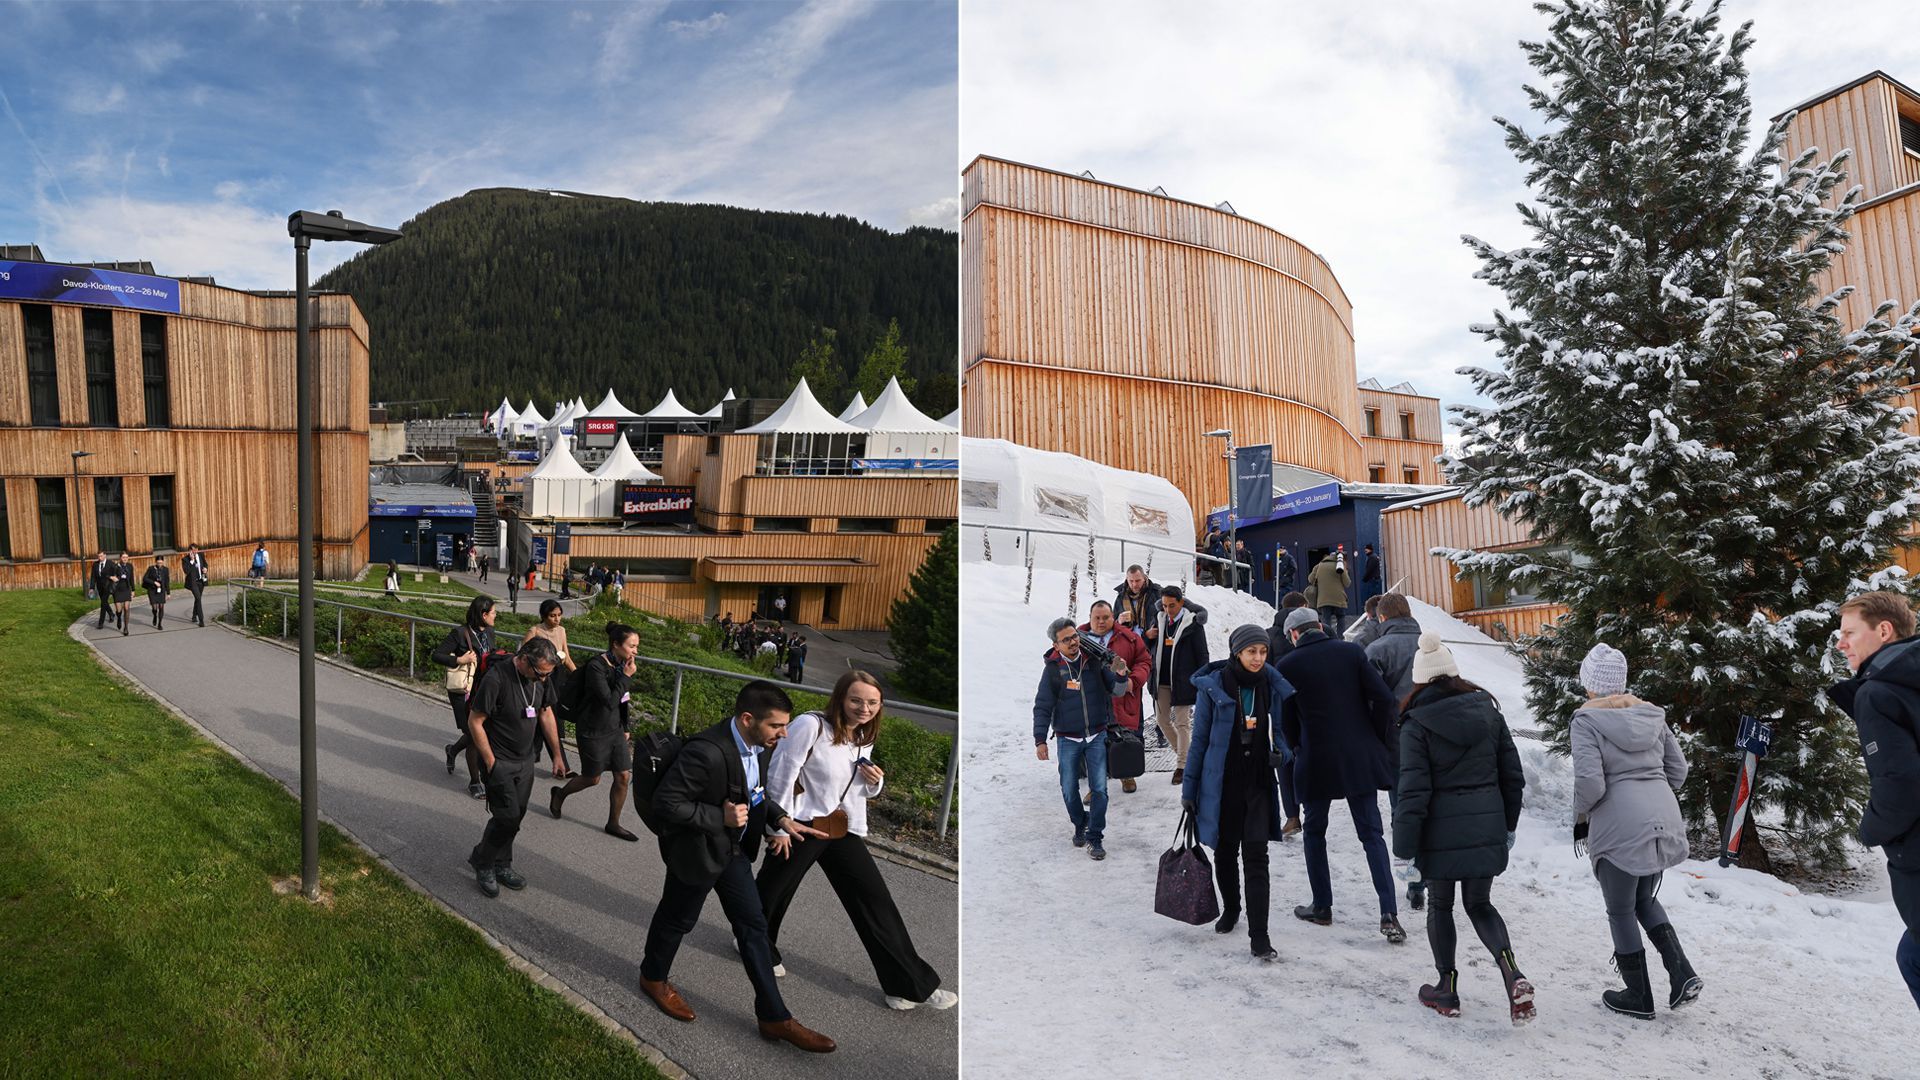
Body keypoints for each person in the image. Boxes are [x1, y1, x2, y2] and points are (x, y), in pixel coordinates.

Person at [639, 681, 837, 1053]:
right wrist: (720, 816)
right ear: (748, 719)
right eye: (777, 726)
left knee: (753, 927)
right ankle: (652, 978)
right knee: (677, 919)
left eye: (785, 726)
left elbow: (754, 792)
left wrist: (779, 819)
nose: (784, 734)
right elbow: (667, 803)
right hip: (696, 852)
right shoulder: (706, 752)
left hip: (732, 853)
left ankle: (774, 1016)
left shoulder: (760, 746)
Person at [758, 671, 956, 1011]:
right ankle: (757, 946)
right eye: (856, 700)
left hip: (840, 828)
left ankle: (906, 985)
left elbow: (854, 788)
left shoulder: (862, 736)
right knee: (774, 890)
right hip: (800, 823)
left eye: (872, 702)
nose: (864, 708)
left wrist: (875, 783)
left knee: (874, 900)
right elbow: (782, 771)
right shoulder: (811, 725)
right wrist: (778, 825)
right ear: (840, 698)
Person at [1392, 633, 1532, 1022]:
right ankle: (1512, 973)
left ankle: (1447, 989)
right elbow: (1513, 778)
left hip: (1440, 833)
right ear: (1453, 673)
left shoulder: (1416, 724)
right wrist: (1507, 825)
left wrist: (1403, 849)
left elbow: (1414, 793)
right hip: (1486, 824)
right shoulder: (1489, 712)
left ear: (1419, 681)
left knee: (1441, 904)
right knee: (1480, 904)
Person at [1570, 641, 1701, 1019]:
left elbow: (1591, 785)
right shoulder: (1651, 715)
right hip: (1662, 817)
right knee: (1644, 899)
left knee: (1621, 910)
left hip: (1620, 826)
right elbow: (1679, 771)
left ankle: (1638, 996)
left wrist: (1581, 817)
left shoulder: (1586, 721)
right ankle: (1682, 974)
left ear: (1590, 683)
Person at [1273, 606, 1404, 942]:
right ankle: (1389, 912)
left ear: (1293, 634)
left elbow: (1286, 720)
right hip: (1359, 756)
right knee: (1372, 834)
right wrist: (1373, 736)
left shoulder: (1287, 665)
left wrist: (1299, 746)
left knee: (1315, 832)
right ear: (1319, 626)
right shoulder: (1350, 652)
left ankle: (1322, 906)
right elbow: (1385, 699)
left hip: (1316, 759)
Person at [1829, 591, 1920, 1012]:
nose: (1841, 643)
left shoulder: (1879, 692)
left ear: (1883, 630)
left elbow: (1900, 783)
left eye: (1849, 632)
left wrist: (1871, 828)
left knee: (1914, 958)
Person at [1182, 625, 1296, 960]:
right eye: (1252, 652)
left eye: (1263, 652)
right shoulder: (1214, 688)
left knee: (1257, 860)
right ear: (1237, 653)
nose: (1259, 658)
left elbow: (1284, 736)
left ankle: (1259, 935)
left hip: (1258, 783)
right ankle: (1232, 907)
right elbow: (1199, 740)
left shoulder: (1271, 686)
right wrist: (1190, 789)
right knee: (1225, 853)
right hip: (1224, 784)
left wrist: (1282, 754)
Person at [464, 635, 567, 897]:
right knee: (506, 817)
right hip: (500, 761)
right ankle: (483, 861)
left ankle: (502, 864)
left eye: (547, 674)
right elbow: (475, 722)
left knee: (515, 817)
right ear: (523, 660)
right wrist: (490, 762)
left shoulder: (540, 679)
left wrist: (557, 755)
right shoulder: (496, 679)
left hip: (525, 761)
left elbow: (545, 712)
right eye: (540, 673)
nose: (544, 679)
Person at [1033, 616, 1129, 860]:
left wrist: (1119, 675)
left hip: (1096, 734)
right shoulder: (1054, 670)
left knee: (1100, 789)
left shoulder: (1094, 661)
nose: (1074, 642)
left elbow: (1116, 690)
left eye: (1075, 636)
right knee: (1068, 788)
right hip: (1067, 738)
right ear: (1056, 645)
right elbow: (1043, 706)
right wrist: (1040, 740)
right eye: (1066, 640)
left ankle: (1095, 837)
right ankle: (1080, 822)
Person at [550, 621, 641, 841]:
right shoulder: (596, 667)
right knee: (592, 778)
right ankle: (559, 794)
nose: (635, 651)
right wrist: (626, 678)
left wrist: (626, 727)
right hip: (592, 729)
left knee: (623, 776)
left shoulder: (621, 665)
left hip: (615, 730)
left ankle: (613, 823)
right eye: (632, 646)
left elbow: (622, 702)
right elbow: (609, 700)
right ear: (616, 644)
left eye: (637, 646)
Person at [1367, 593, 1427, 909]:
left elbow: (1368, 700)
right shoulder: (1434, 644)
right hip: (1435, 737)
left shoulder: (1378, 650)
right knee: (1432, 805)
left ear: (1382, 618)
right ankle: (1433, 873)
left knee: (1401, 811)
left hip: (1397, 739)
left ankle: (1414, 881)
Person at [1082, 600, 1150, 794]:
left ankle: (1126, 774)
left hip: (1121, 696)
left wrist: (1133, 681)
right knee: (1094, 740)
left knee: (1124, 736)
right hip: (1092, 699)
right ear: (1090, 618)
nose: (1101, 622)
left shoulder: (1129, 638)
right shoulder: (1079, 637)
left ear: (1113, 617)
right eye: (1097, 618)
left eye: (1106, 618)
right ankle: (1096, 785)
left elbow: (1144, 661)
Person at [434, 595, 498, 799]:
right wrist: (460, 659)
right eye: (493, 613)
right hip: (463, 691)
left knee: (476, 733)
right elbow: (437, 655)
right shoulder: (460, 633)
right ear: (483, 614)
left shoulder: (489, 632)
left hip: (483, 689)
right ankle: (474, 781)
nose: (496, 616)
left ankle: (452, 750)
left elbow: (492, 655)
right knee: (473, 735)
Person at [1148, 585, 1209, 785]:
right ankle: (1188, 757)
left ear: (1181, 603)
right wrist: (1147, 637)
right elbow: (1149, 646)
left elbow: (1202, 654)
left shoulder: (1193, 624)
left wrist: (1202, 679)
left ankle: (1182, 766)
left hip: (1184, 681)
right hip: (1161, 680)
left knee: (1182, 723)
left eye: (1172, 605)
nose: (1167, 610)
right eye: (1164, 605)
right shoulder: (1159, 619)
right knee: (1162, 719)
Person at [524, 599, 577, 776]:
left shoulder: (561, 631)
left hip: (557, 677)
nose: (557, 619)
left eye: (559, 615)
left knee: (550, 719)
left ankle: (551, 761)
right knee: (544, 717)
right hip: (539, 678)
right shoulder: (535, 631)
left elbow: (567, 657)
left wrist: (578, 676)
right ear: (544, 616)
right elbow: (523, 655)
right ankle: (558, 765)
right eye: (552, 616)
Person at [1306, 550, 1350, 637]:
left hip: (1323, 599)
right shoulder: (1340, 565)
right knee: (1340, 618)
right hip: (1339, 599)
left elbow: (1310, 579)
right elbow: (1347, 583)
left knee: (1326, 620)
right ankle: (1341, 639)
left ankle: (1327, 638)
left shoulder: (1319, 565)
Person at [1114, 565, 1162, 635]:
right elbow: (1112, 624)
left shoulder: (1157, 593)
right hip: (1129, 641)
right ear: (1127, 579)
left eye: (1138, 581)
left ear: (1144, 578)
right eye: (1131, 581)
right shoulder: (1121, 597)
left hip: (1150, 643)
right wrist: (1118, 621)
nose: (1134, 584)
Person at [181, 545, 209, 627]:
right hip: (193, 583)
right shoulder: (185, 559)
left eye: (196, 549)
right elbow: (187, 571)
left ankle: (194, 616)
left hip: (201, 581)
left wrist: (205, 569)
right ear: (189, 551)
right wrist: (192, 561)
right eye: (193, 550)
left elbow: (205, 564)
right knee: (198, 599)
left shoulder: (201, 555)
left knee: (198, 599)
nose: (195, 551)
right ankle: (201, 620)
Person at [141, 556, 172, 628]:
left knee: (161, 606)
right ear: (155, 562)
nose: (159, 564)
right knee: (154, 607)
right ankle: (155, 615)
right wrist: (154, 582)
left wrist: (168, 593)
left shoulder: (165, 569)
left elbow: (167, 581)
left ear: (163, 562)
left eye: (161, 563)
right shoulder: (151, 569)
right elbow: (145, 578)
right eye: (158, 563)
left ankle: (160, 623)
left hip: (161, 590)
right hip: (152, 590)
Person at [111, 551, 135, 636]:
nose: (125, 559)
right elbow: (110, 575)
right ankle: (118, 618)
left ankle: (126, 628)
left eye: (126, 557)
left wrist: (133, 590)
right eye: (123, 557)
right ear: (120, 558)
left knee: (126, 608)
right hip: (117, 589)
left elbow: (131, 578)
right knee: (119, 609)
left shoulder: (129, 566)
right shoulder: (116, 566)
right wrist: (113, 578)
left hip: (126, 589)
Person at [92, 550, 116, 630]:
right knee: (104, 602)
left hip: (108, 586)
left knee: (103, 603)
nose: (100, 558)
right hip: (100, 586)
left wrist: (112, 577)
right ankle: (111, 613)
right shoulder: (95, 564)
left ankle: (100, 623)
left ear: (105, 555)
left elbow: (116, 573)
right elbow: (93, 577)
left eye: (101, 556)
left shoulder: (111, 563)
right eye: (98, 556)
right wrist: (91, 588)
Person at [1361, 542, 1383, 607]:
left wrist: (1365, 578)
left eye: (1366, 549)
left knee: (1373, 597)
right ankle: (1375, 610)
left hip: (1373, 580)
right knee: (1374, 596)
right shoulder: (1373, 556)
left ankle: (1374, 611)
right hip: (1374, 579)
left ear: (1370, 549)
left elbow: (1369, 569)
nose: (1365, 550)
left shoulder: (1372, 557)